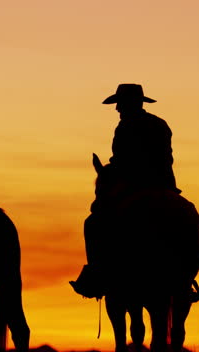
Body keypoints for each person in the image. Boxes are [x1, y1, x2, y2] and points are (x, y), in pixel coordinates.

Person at [71, 84, 181, 299]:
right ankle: (184, 281)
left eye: (119, 104)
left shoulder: (125, 127)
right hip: (165, 184)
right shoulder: (160, 124)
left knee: (93, 223)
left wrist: (110, 171)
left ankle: (97, 273)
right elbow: (166, 157)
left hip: (136, 184)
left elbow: (121, 161)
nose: (117, 109)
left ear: (129, 104)